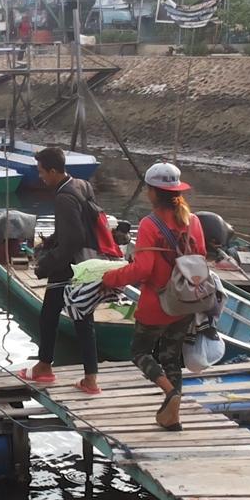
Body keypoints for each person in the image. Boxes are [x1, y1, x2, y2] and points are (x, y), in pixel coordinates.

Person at [102, 162, 206, 431]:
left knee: (139, 351)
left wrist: (110, 278)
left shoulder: (150, 223)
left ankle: (169, 393)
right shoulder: (193, 221)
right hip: (185, 302)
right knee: (172, 357)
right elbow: (201, 258)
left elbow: (143, 269)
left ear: (152, 192)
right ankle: (173, 416)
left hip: (157, 304)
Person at [20, 147, 101, 394]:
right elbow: (83, 226)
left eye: (42, 172)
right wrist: (52, 239)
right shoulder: (82, 185)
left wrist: (45, 265)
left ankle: (54, 369)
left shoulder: (63, 197)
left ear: (54, 171)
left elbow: (74, 239)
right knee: (68, 315)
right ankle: (82, 376)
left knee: (62, 317)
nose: (41, 177)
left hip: (70, 267)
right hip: (87, 262)